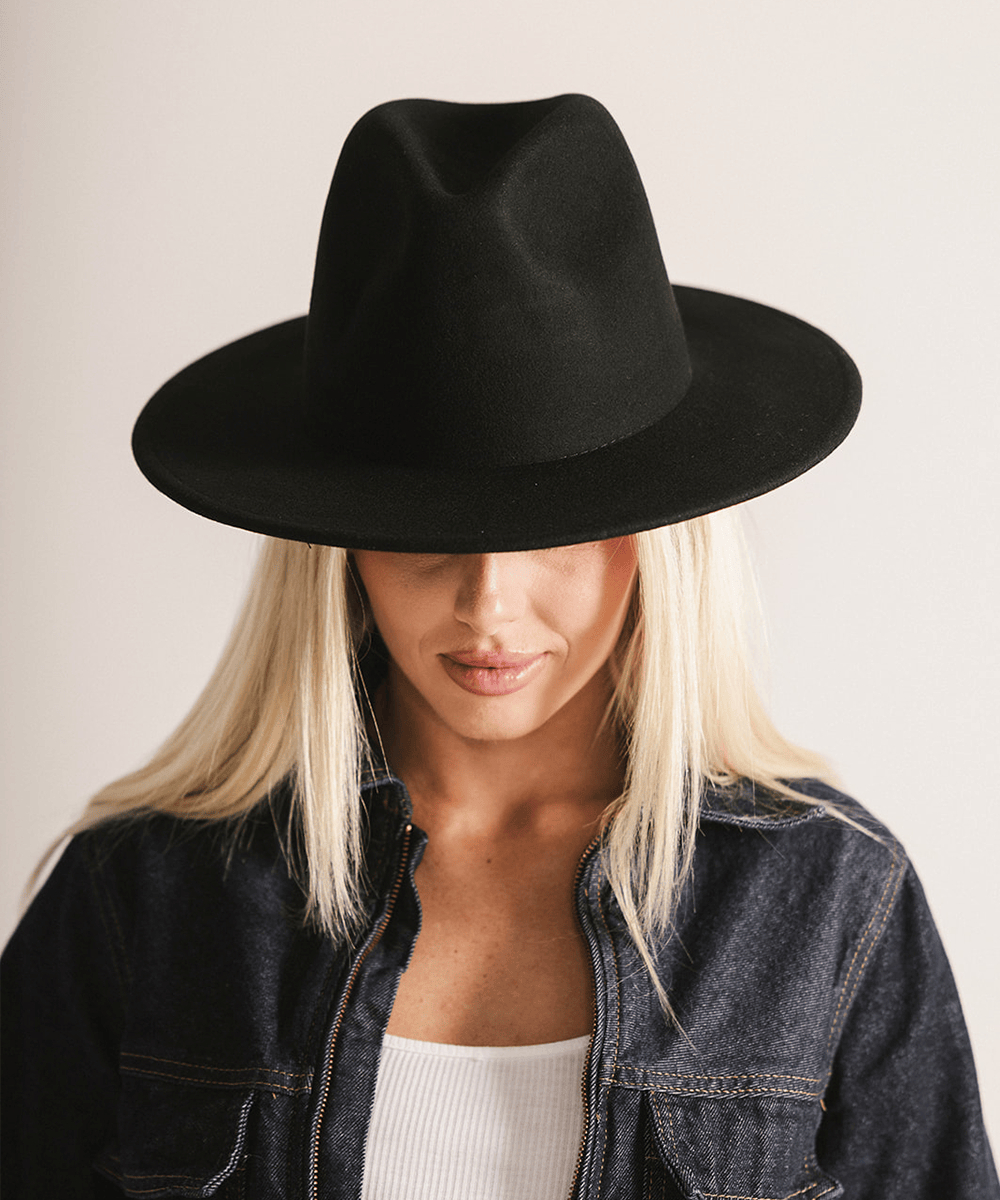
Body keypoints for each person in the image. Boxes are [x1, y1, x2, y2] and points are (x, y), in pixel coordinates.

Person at [1, 94, 996, 1200]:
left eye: (559, 534)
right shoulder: (145, 894)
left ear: (661, 544)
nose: (487, 604)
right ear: (335, 548)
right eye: (422, 534)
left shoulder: (827, 899)